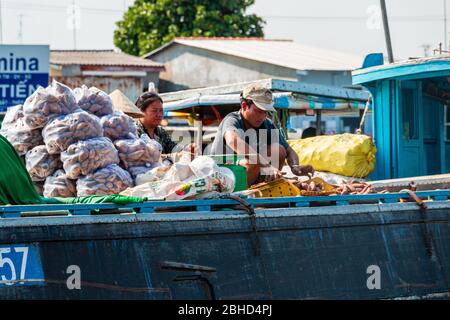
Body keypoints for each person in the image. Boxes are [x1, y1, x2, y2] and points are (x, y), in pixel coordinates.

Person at [209, 83, 314, 186]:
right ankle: (242, 195)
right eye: (259, 111)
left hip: (250, 170)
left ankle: (267, 185)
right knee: (252, 161)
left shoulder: (267, 124)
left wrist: (295, 167)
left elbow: (289, 151)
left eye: (266, 112)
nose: (263, 116)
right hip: (221, 170)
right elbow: (233, 141)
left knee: (279, 150)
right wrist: (266, 165)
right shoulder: (232, 120)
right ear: (244, 105)